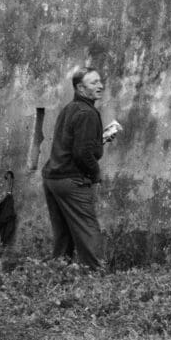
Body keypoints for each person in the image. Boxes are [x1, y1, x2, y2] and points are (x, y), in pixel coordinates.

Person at [42, 66, 110, 269]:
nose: (100, 86)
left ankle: (59, 271)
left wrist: (100, 140)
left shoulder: (69, 109)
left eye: (100, 81)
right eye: (93, 83)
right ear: (80, 88)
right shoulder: (87, 113)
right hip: (71, 179)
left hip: (53, 178)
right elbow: (82, 153)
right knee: (87, 229)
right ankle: (95, 273)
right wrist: (95, 173)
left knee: (63, 232)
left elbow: (74, 144)